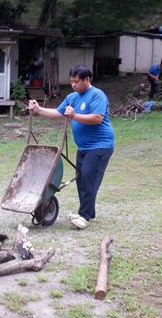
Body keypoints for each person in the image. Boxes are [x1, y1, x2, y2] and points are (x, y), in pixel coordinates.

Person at [28, 64, 114, 229]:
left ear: (87, 79)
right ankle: (87, 212)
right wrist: (38, 110)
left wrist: (75, 115)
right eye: (72, 81)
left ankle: (85, 216)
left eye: (77, 82)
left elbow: (97, 118)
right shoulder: (72, 97)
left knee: (89, 177)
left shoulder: (97, 95)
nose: (74, 85)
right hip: (84, 147)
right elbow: (58, 113)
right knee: (82, 179)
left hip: (100, 145)